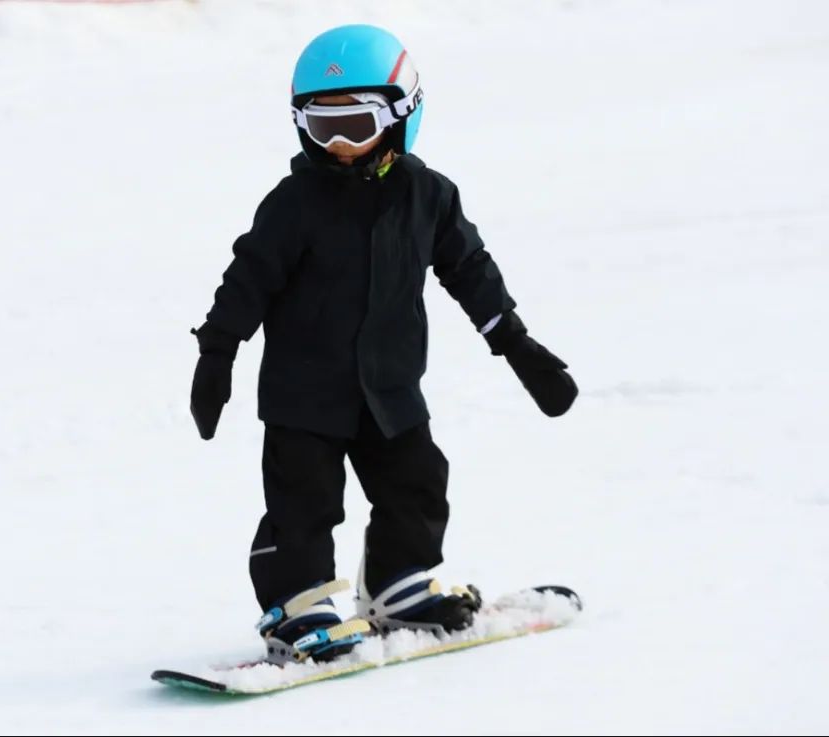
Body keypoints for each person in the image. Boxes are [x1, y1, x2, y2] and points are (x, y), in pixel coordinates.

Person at [190, 24, 577, 665]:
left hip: (391, 388)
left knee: (419, 483)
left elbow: (470, 272)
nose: (340, 144)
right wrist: (217, 351)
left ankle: (399, 585)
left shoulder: (429, 196)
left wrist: (516, 344)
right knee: (302, 509)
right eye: (323, 127)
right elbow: (247, 277)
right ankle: (298, 607)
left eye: (358, 123)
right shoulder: (293, 205)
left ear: (402, 114)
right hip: (303, 398)